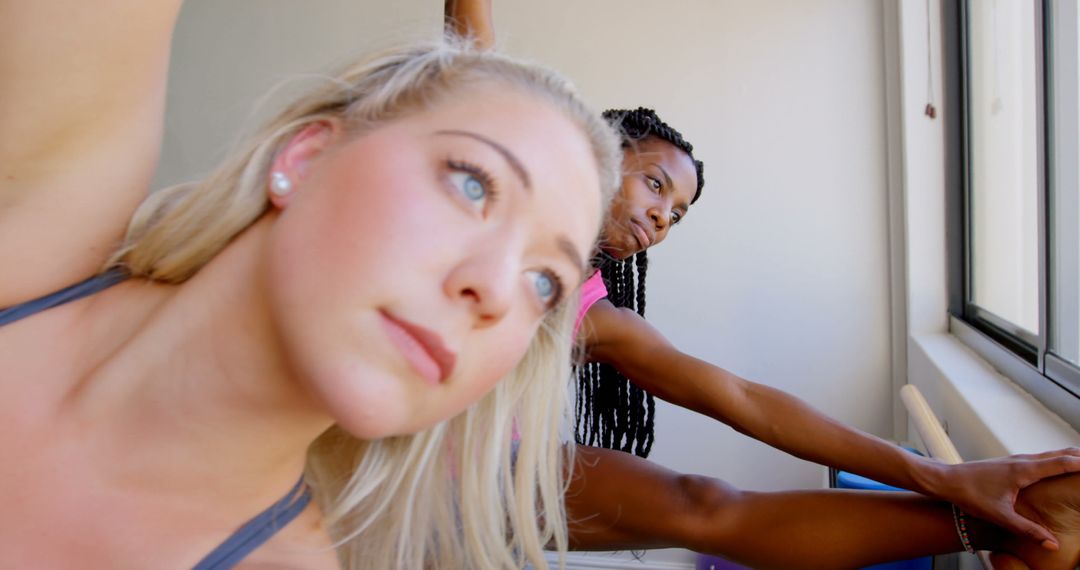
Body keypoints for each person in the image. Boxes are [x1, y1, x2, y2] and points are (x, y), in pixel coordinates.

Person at [446, 2, 1080, 568]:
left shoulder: (597, 316)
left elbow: (744, 399)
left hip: (484, 472)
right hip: (395, 451)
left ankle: (1005, 528)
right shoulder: (498, 201)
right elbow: (474, 65)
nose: (663, 218)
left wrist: (941, 476)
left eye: (678, 215)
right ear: (598, 154)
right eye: (657, 185)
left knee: (705, 504)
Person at [0, 2, 624, 568]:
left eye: (543, 283)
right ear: (305, 157)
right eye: (472, 184)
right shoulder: (37, 246)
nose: (493, 290)